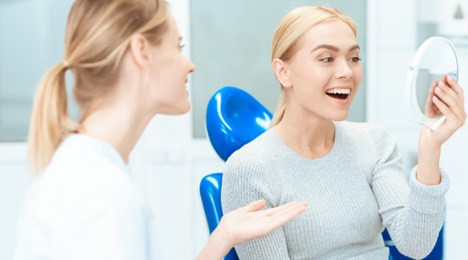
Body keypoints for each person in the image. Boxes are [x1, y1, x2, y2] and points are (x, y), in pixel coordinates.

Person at [13, 0, 307, 259]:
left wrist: (223, 236)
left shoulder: (83, 170)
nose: (189, 65)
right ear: (141, 50)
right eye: (178, 47)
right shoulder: (101, 195)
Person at [221, 5, 466, 260]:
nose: (347, 71)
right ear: (284, 72)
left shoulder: (375, 143)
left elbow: (416, 245)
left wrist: (430, 146)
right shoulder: (250, 168)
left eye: (354, 58)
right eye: (327, 58)